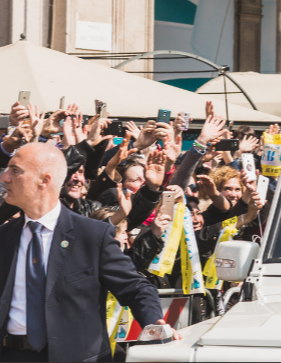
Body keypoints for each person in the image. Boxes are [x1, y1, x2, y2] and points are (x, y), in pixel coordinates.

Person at [0, 143, 176, 362]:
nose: (5, 178)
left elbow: (134, 287)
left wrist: (154, 323)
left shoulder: (92, 235)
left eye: (15, 170)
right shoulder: (5, 237)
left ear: (44, 181)